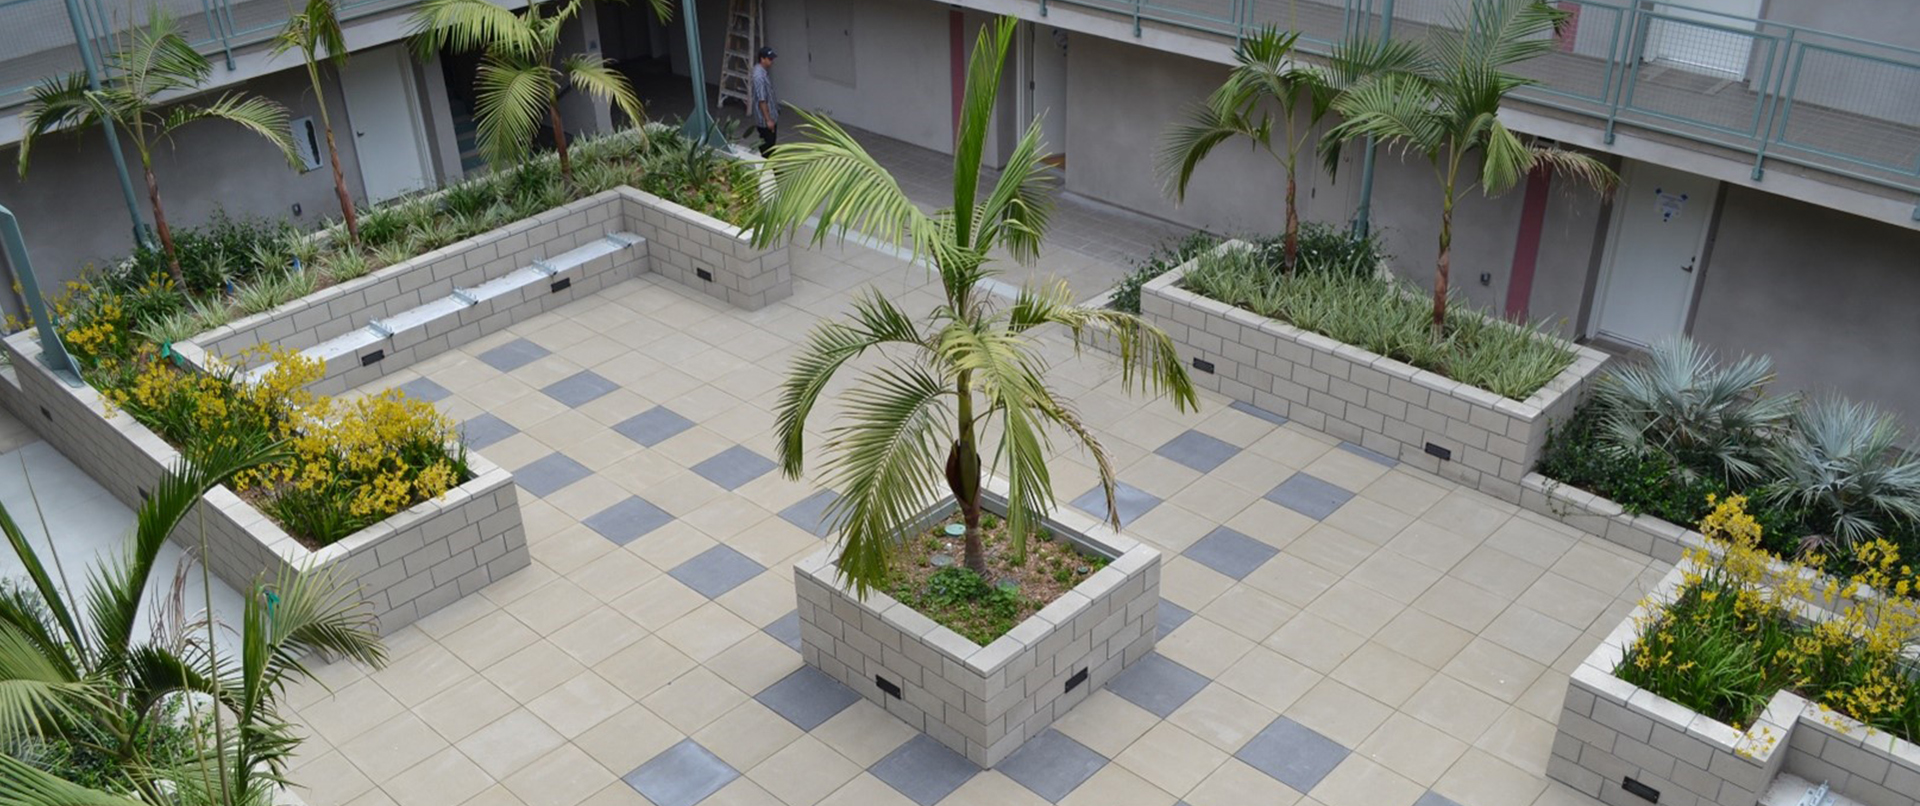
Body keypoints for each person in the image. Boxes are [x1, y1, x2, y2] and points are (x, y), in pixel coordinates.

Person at [750, 47, 779, 156]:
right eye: (769, 59)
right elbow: (762, 100)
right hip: (765, 120)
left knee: (769, 144)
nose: (772, 61)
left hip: (771, 115)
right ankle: (769, 166)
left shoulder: (762, 72)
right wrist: (768, 120)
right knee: (768, 145)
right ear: (762, 59)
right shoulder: (759, 76)